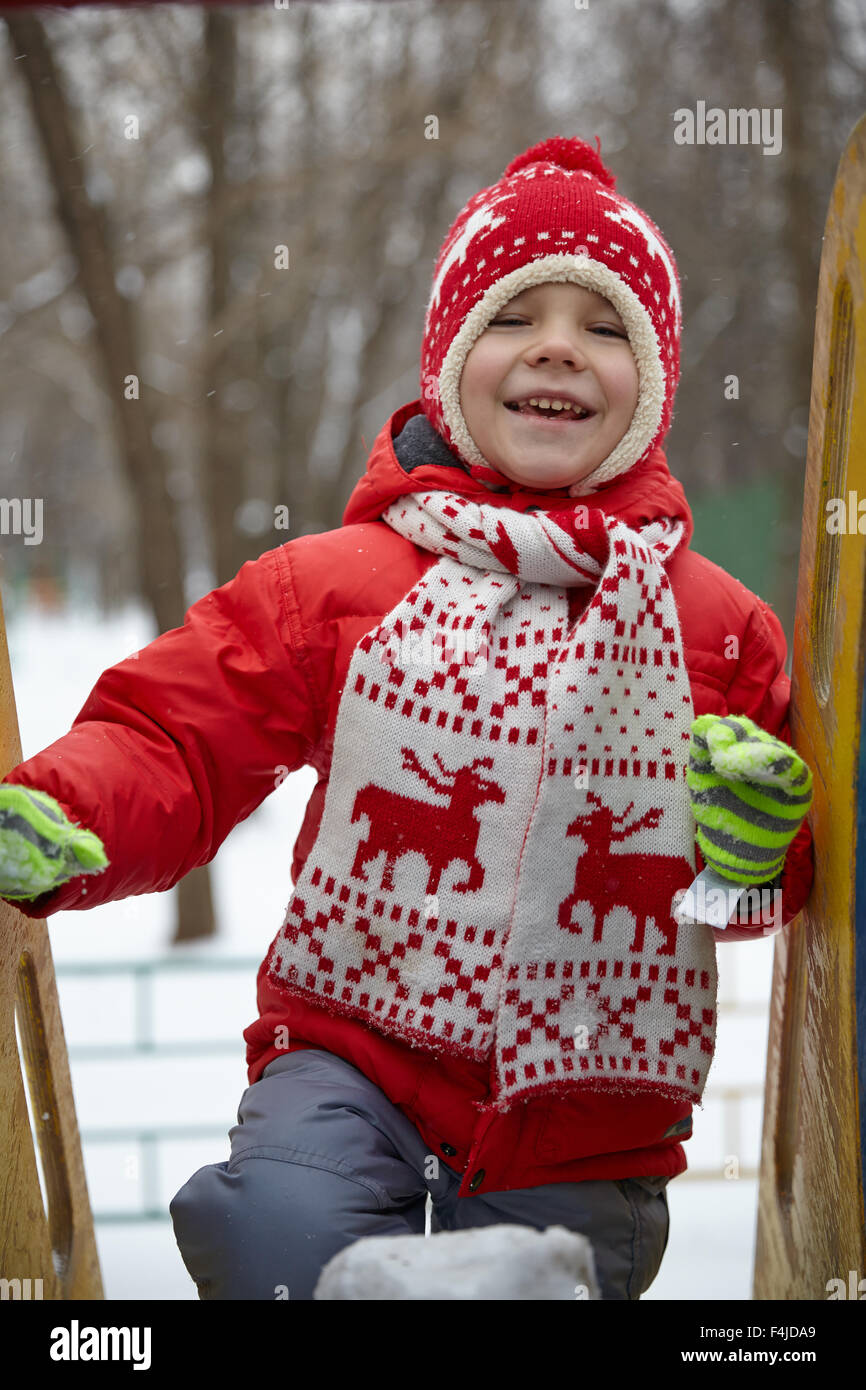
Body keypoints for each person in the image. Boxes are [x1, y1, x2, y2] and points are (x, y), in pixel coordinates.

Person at [0, 136, 815, 1300]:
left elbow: (759, 890)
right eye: (511, 316)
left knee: (548, 1284)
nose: (554, 347)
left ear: (652, 384)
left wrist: (752, 853)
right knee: (281, 1222)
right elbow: (180, 730)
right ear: (447, 359)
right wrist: (64, 805)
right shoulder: (341, 586)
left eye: (601, 327)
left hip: (587, 1105)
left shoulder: (715, 632)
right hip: (350, 1055)